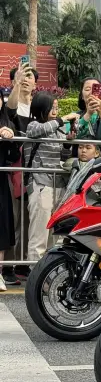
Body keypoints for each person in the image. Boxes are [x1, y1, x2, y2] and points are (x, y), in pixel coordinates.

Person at [24, 93, 79, 263]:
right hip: (41, 183)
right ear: (42, 108)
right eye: (52, 107)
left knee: (55, 237)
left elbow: (62, 157)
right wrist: (62, 120)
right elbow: (37, 131)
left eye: (57, 107)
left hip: (58, 184)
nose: (55, 110)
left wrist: (68, 142)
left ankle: (50, 272)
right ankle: (34, 271)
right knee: (39, 233)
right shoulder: (33, 125)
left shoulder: (57, 129)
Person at [4, 63, 39, 282]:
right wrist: (16, 86)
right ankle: (7, 266)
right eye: (22, 76)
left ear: (36, 83)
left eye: (29, 77)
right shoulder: (11, 103)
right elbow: (9, 111)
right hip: (14, 169)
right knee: (13, 218)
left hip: (35, 170)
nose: (26, 80)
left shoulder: (40, 107)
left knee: (29, 220)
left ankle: (24, 264)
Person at [0, 95, 21, 291]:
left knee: (2, 226)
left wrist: (10, 138)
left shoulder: (7, 123)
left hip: (0, 181)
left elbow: (14, 156)